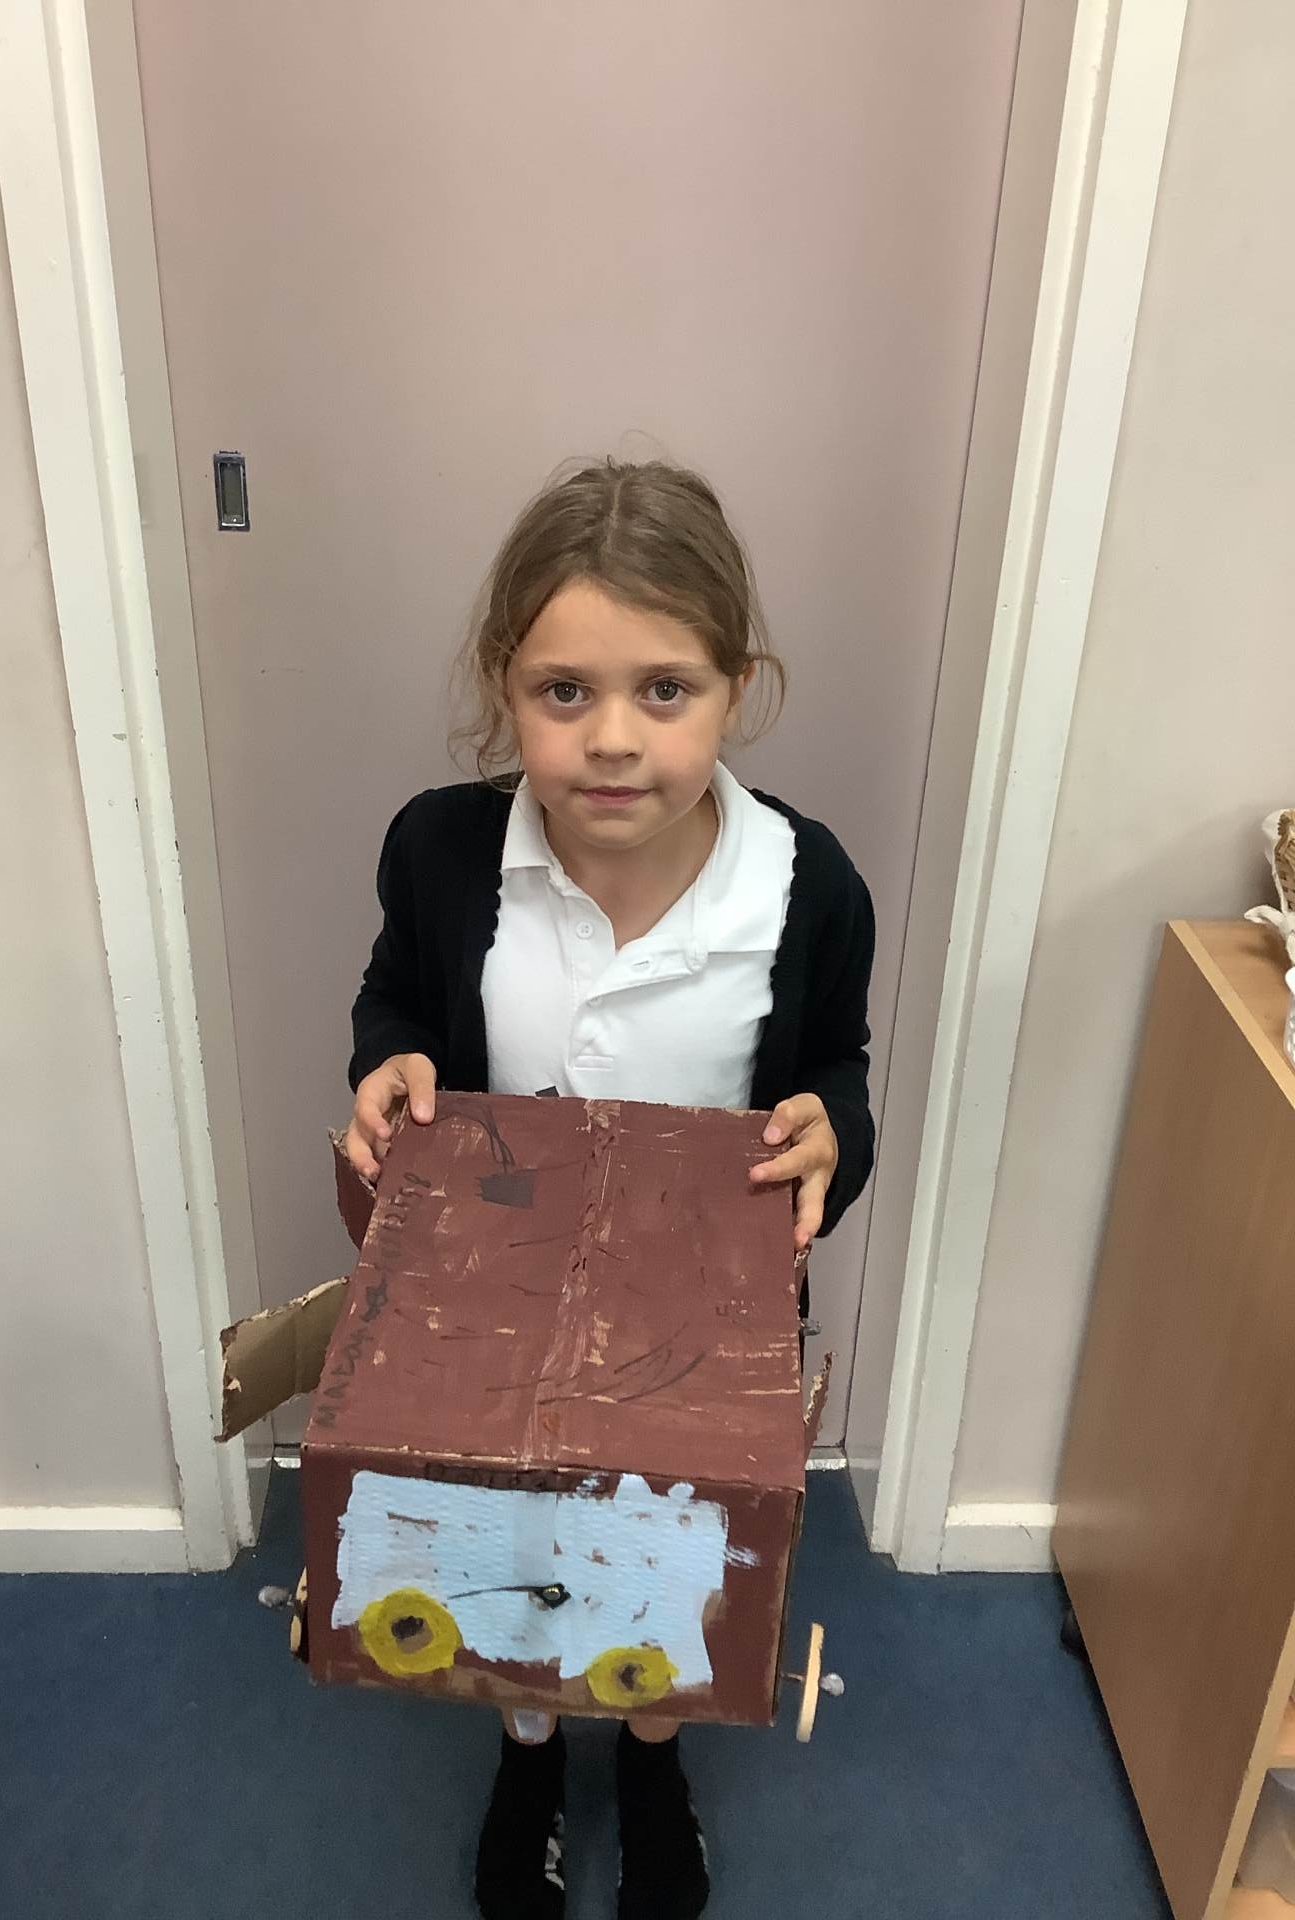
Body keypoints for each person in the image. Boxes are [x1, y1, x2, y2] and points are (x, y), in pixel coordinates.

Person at [342, 458, 876, 1920]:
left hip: (698, 1320)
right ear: (504, 688)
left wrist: (834, 1130)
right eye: (564, 692)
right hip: (492, 1305)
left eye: (666, 690)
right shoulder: (442, 851)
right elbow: (395, 998)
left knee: (658, 1545)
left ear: (738, 689)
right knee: (510, 1535)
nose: (614, 739)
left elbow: (835, 1067)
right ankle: (525, 1746)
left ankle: (650, 1757)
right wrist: (386, 1064)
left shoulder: (804, 885)